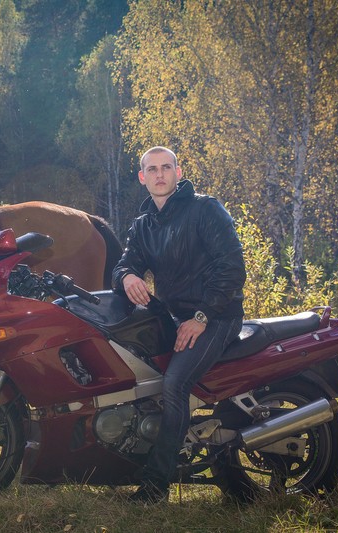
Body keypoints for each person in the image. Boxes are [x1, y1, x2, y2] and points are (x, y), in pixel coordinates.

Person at [112, 146, 246, 504]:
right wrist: (126, 279)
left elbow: (232, 267)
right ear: (142, 177)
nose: (159, 175)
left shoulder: (205, 209)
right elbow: (124, 264)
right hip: (174, 316)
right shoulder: (144, 225)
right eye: (152, 169)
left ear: (178, 171)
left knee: (174, 383)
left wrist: (201, 317)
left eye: (166, 167)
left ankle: (156, 487)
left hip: (217, 315)